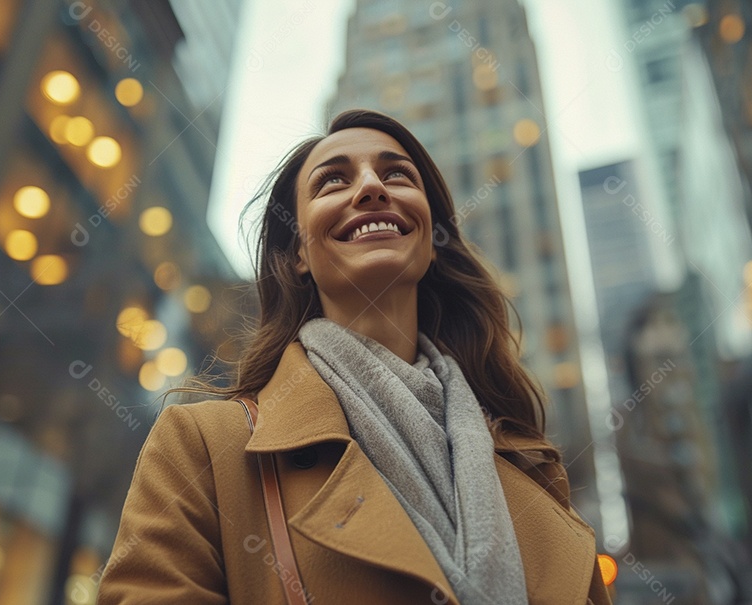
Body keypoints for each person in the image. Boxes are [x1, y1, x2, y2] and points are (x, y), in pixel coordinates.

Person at [98, 109, 612, 604]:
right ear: (298, 254)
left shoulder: (530, 466)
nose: (372, 187)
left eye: (397, 175)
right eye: (332, 182)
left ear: (430, 240)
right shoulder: (204, 448)